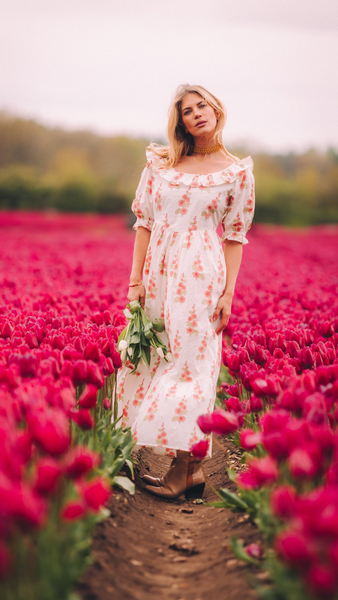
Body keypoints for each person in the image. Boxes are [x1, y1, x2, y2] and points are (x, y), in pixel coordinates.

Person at [116, 84, 255, 500]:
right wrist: (135, 282)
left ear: (216, 108)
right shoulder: (161, 164)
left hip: (200, 274)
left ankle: (184, 468)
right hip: (158, 271)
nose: (196, 114)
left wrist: (229, 293)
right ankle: (184, 472)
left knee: (193, 364)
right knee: (152, 356)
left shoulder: (236, 172)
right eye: (187, 111)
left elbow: (234, 236)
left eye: (201, 105)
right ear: (180, 122)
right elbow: (144, 223)